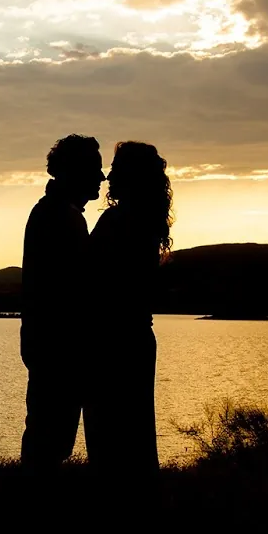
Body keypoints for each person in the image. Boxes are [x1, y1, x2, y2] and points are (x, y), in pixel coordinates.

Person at [83, 141, 174, 486]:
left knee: (109, 442)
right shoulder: (147, 222)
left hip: (112, 342)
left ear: (131, 175)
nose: (108, 175)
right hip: (135, 338)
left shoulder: (118, 220)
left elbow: (92, 281)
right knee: (135, 439)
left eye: (117, 168)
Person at [19, 134, 106, 475]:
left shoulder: (56, 213)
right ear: (75, 171)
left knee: (49, 439)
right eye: (95, 170)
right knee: (49, 441)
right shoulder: (59, 217)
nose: (101, 178)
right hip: (58, 347)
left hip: (51, 345)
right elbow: (69, 289)